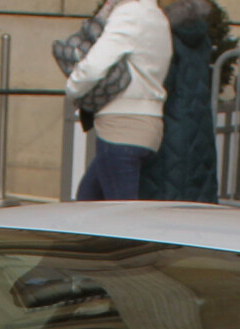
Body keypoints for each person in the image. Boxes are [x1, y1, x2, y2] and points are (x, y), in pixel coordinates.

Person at [65, 0, 173, 202]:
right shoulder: (158, 16)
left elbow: (94, 65)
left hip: (120, 126)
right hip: (149, 124)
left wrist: (73, 88)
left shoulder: (129, 14)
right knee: (86, 202)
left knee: (120, 216)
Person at [142, 0, 220, 204]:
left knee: (164, 192)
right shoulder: (199, 32)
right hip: (197, 124)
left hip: (168, 121)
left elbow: (162, 80)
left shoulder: (163, 33)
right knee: (194, 193)